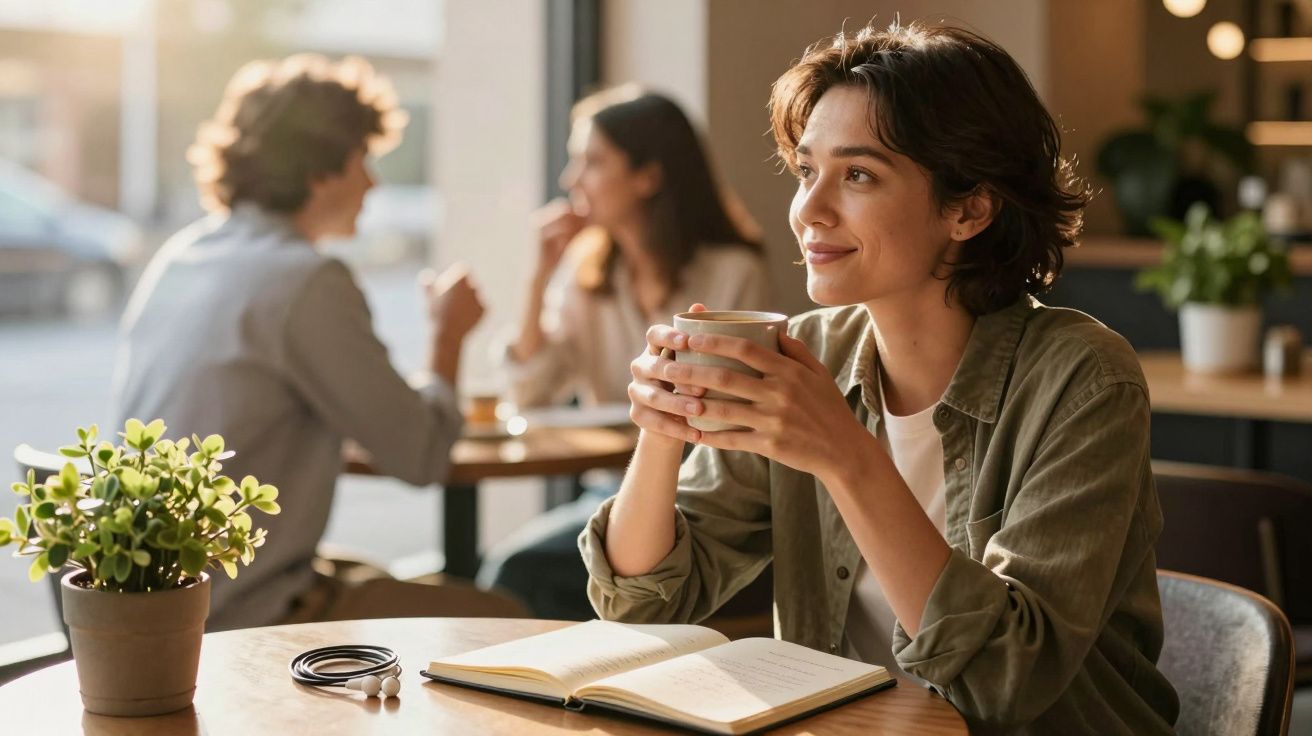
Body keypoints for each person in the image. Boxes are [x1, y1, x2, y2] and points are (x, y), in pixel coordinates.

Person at [581, 22, 1180, 734]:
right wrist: (662, 430)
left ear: (970, 209)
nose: (809, 210)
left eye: (858, 175)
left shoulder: (1083, 381)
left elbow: (1005, 678)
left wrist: (845, 454)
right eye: (807, 171)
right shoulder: (810, 354)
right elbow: (640, 603)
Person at [110, 54, 511, 630]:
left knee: (383, 577)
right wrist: (447, 336)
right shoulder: (304, 281)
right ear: (320, 168)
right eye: (361, 161)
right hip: (243, 613)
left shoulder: (181, 256)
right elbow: (421, 455)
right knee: (504, 617)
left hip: (161, 603)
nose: (373, 182)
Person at [475, 88, 771, 619]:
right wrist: (538, 275)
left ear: (647, 177)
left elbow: (737, 416)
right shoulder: (588, 276)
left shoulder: (733, 273)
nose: (571, 181)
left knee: (520, 573)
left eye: (591, 162)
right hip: (617, 492)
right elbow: (529, 393)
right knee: (513, 571)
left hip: (705, 497)